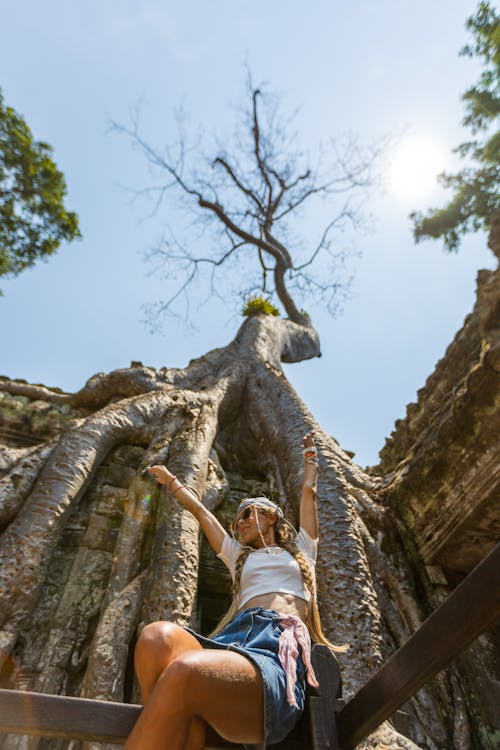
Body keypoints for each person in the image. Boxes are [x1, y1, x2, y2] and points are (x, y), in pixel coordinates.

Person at [124, 431, 345, 750]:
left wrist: (311, 455)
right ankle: (185, 734)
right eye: (236, 520)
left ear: (269, 516)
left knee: (185, 671)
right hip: (233, 640)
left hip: (274, 650)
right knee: (156, 638)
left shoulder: (301, 549)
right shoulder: (239, 557)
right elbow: (201, 514)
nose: (239, 523)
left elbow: (308, 493)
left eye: (245, 514)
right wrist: (173, 483)